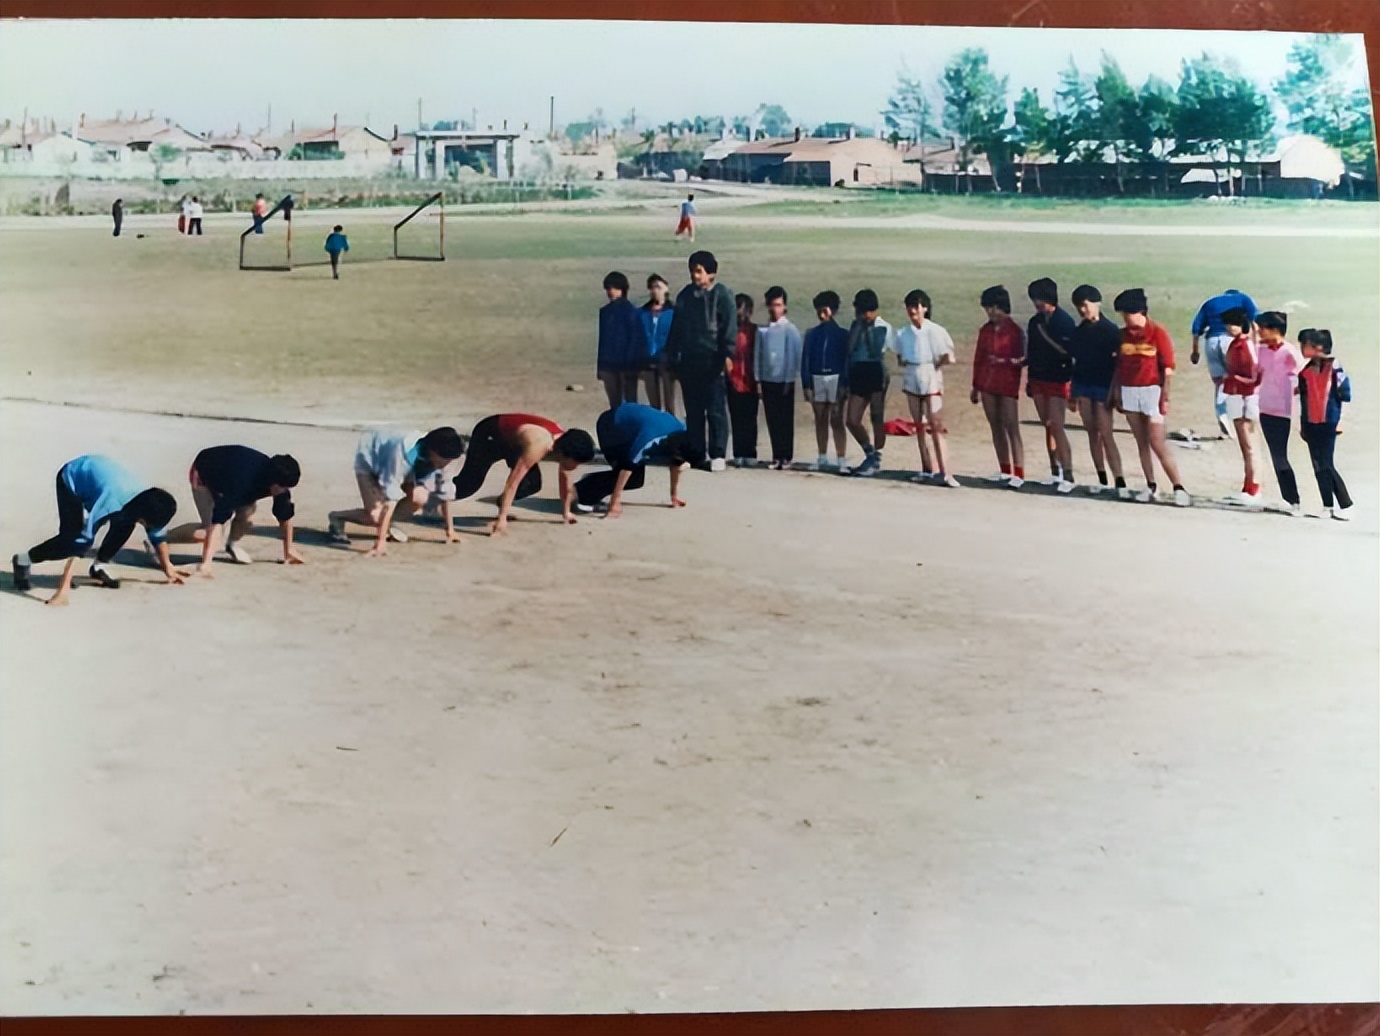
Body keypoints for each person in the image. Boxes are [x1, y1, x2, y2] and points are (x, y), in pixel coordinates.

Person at [11, 455, 185, 607]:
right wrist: (63, 590)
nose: (147, 527)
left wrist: (168, 567)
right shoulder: (110, 502)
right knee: (71, 540)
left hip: (104, 478)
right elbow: (82, 543)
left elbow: (157, 535)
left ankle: (98, 567)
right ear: (142, 514)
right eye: (146, 523)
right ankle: (23, 559)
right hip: (72, 478)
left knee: (125, 524)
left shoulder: (149, 501)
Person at [162, 445, 305, 574]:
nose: (286, 491)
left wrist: (289, 550)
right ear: (273, 482)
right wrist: (206, 564)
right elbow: (217, 521)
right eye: (284, 487)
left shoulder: (278, 480)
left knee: (247, 514)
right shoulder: (239, 484)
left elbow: (285, 515)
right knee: (207, 532)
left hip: (235, 469)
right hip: (204, 471)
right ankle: (161, 539)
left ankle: (232, 545)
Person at [1108, 288, 1191, 507]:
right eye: (1123, 314)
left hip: (1152, 391)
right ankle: (1151, 485)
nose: (1126, 317)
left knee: (1157, 442)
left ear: (1141, 311)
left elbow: (1168, 367)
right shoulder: (1122, 335)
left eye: (1129, 313)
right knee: (1141, 442)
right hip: (1129, 391)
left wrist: (1165, 396)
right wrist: (1116, 392)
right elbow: (1119, 366)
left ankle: (1179, 487)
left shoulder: (1157, 333)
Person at [328, 426, 466, 554]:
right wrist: (380, 542)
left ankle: (385, 523)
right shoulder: (401, 455)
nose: (447, 463)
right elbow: (390, 499)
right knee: (376, 515)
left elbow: (445, 492)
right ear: (433, 451)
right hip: (371, 459)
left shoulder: (447, 456)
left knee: (420, 498)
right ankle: (337, 517)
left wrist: (450, 530)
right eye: (445, 459)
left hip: (406, 464)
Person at [450, 414, 596, 535]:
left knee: (531, 484)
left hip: (515, 444)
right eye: (575, 463)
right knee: (468, 485)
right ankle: (431, 497)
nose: (575, 467)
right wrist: (502, 519)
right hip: (490, 434)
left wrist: (566, 512)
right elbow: (512, 482)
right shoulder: (539, 445)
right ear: (564, 454)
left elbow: (565, 479)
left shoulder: (565, 444)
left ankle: (502, 504)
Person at [666, 250, 735, 472]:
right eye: (693, 271)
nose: (695, 276)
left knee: (715, 410)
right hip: (689, 361)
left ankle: (718, 453)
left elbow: (729, 329)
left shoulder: (722, 295)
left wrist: (727, 355)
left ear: (711, 273)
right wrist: (671, 356)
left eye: (699, 271)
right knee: (693, 411)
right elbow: (676, 328)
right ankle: (696, 453)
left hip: (713, 360)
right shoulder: (685, 295)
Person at [574, 403, 705, 517]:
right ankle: (579, 492)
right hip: (611, 427)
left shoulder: (682, 434)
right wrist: (615, 504)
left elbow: (677, 463)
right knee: (632, 479)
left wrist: (674, 496)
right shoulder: (651, 437)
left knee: (634, 477)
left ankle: (584, 490)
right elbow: (627, 466)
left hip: (630, 429)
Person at [1068, 285, 1127, 498]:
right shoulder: (1079, 332)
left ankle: (1119, 479)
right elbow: (1076, 363)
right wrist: (1072, 393)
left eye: (1085, 305)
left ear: (1097, 303)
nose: (1083, 310)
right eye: (1079, 307)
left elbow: (1118, 364)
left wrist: (1115, 390)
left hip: (1103, 386)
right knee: (1091, 432)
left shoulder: (1110, 331)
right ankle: (1102, 478)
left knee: (1106, 432)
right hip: (1083, 384)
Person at [896, 289, 959, 487]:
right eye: (910, 307)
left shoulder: (936, 331)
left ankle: (945, 472)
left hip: (930, 375)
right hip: (912, 375)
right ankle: (927, 469)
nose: (913, 310)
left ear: (925, 308)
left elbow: (948, 357)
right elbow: (900, 358)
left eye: (917, 306)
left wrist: (934, 368)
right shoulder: (902, 333)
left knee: (935, 425)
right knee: (919, 425)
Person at [970, 285, 1027, 488]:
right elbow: (979, 358)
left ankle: (1019, 472)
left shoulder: (1015, 331)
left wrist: (1003, 361)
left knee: (1011, 426)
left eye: (994, 307)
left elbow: (1021, 359)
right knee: (996, 427)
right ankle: (1004, 469)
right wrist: (975, 386)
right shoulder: (985, 330)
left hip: (1008, 384)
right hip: (987, 383)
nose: (991, 312)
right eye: (988, 308)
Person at [1025, 278, 1077, 492]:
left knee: (1057, 426)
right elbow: (1032, 351)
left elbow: (1070, 353)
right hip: (1038, 378)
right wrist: (1028, 376)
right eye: (1035, 299)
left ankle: (1069, 474)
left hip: (1058, 379)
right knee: (1047, 426)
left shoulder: (1064, 322)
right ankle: (1054, 472)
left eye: (1040, 299)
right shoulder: (1034, 322)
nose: (1037, 303)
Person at [1297, 329, 1353, 521]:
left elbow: (1345, 396)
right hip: (1311, 423)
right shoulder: (1304, 373)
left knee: (1327, 464)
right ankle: (1327, 505)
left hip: (1330, 422)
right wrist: (1303, 425)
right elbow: (1303, 402)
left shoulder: (1336, 370)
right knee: (1317, 465)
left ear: (1318, 347)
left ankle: (1346, 505)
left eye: (1304, 344)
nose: (1301, 349)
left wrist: (1342, 420)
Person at [1254, 311, 1305, 514]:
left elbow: (1304, 378)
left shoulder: (1290, 352)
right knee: (1275, 455)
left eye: (1262, 329)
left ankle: (1293, 500)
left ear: (1275, 330)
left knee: (1280, 454)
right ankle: (1288, 499)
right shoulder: (1260, 350)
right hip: (1264, 408)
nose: (1258, 332)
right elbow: (1256, 375)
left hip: (1282, 411)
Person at [1190, 288, 1259, 438]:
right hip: (1230, 341)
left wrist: (1195, 351)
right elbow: (1255, 323)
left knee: (1220, 383)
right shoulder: (1243, 298)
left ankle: (1222, 416)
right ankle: (1243, 417)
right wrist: (1255, 345)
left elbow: (1196, 329)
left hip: (1211, 342)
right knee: (1239, 380)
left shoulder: (1210, 302)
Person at [843, 288, 895, 477]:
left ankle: (878, 458)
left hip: (875, 371)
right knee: (852, 419)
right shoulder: (856, 325)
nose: (865, 316)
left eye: (867, 312)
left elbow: (891, 350)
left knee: (876, 417)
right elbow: (850, 350)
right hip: (858, 371)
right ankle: (870, 454)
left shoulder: (884, 326)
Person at [801, 290, 851, 472]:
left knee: (837, 419)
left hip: (836, 378)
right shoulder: (812, 334)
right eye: (818, 310)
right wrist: (806, 384)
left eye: (824, 309)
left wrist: (845, 383)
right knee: (820, 418)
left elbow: (847, 360)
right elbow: (805, 361)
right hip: (817, 377)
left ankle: (841, 458)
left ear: (833, 310)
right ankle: (822, 456)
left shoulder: (843, 335)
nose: (820, 313)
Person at [756, 286, 803, 470]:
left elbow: (793, 356)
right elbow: (758, 356)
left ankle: (787, 456)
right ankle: (776, 455)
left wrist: (788, 379)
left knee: (785, 419)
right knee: (772, 419)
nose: (775, 308)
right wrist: (758, 379)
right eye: (772, 305)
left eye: (779, 305)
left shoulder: (790, 329)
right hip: (768, 381)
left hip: (784, 381)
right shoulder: (763, 331)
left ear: (784, 306)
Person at [1220, 307, 1264, 505]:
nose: (1229, 328)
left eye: (1233, 324)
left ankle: (1253, 488)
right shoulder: (1239, 344)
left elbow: (1254, 376)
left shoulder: (1244, 346)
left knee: (1249, 444)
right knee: (1247, 444)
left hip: (1245, 397)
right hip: (1240, 395)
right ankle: (1249, 486)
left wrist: (1233, 378)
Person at [598, 271, 645, 409]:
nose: (610, 291)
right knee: (614, 403)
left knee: (630, 402)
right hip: (609, 364)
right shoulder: (605, 312)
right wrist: (600, 367)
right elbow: (603, 340)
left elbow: (635, 339)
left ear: (622, 289)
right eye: (608, 288)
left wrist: (632, 365)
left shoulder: (631, 312)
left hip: (627, 365)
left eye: (614, 288)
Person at [726, 293, 760, 467]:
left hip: (752, 379)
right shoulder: (729, 330)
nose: (740, 314)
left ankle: (750, 452)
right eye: (738, 310)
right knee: (736, 417)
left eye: (744, 311)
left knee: (751, 418)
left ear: (750, 312)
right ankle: (739, 452)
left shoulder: (756, 330)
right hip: (733, 379)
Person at [639, 274, 677, 412]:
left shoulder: (674, 312)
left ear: (666, 289)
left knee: (669, 401)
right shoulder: (642, 313)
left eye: (658, 287)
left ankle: (673, 430)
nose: (655, 290)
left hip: (667, 360)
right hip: (647, 360)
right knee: (653, 403)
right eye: (652, 287)